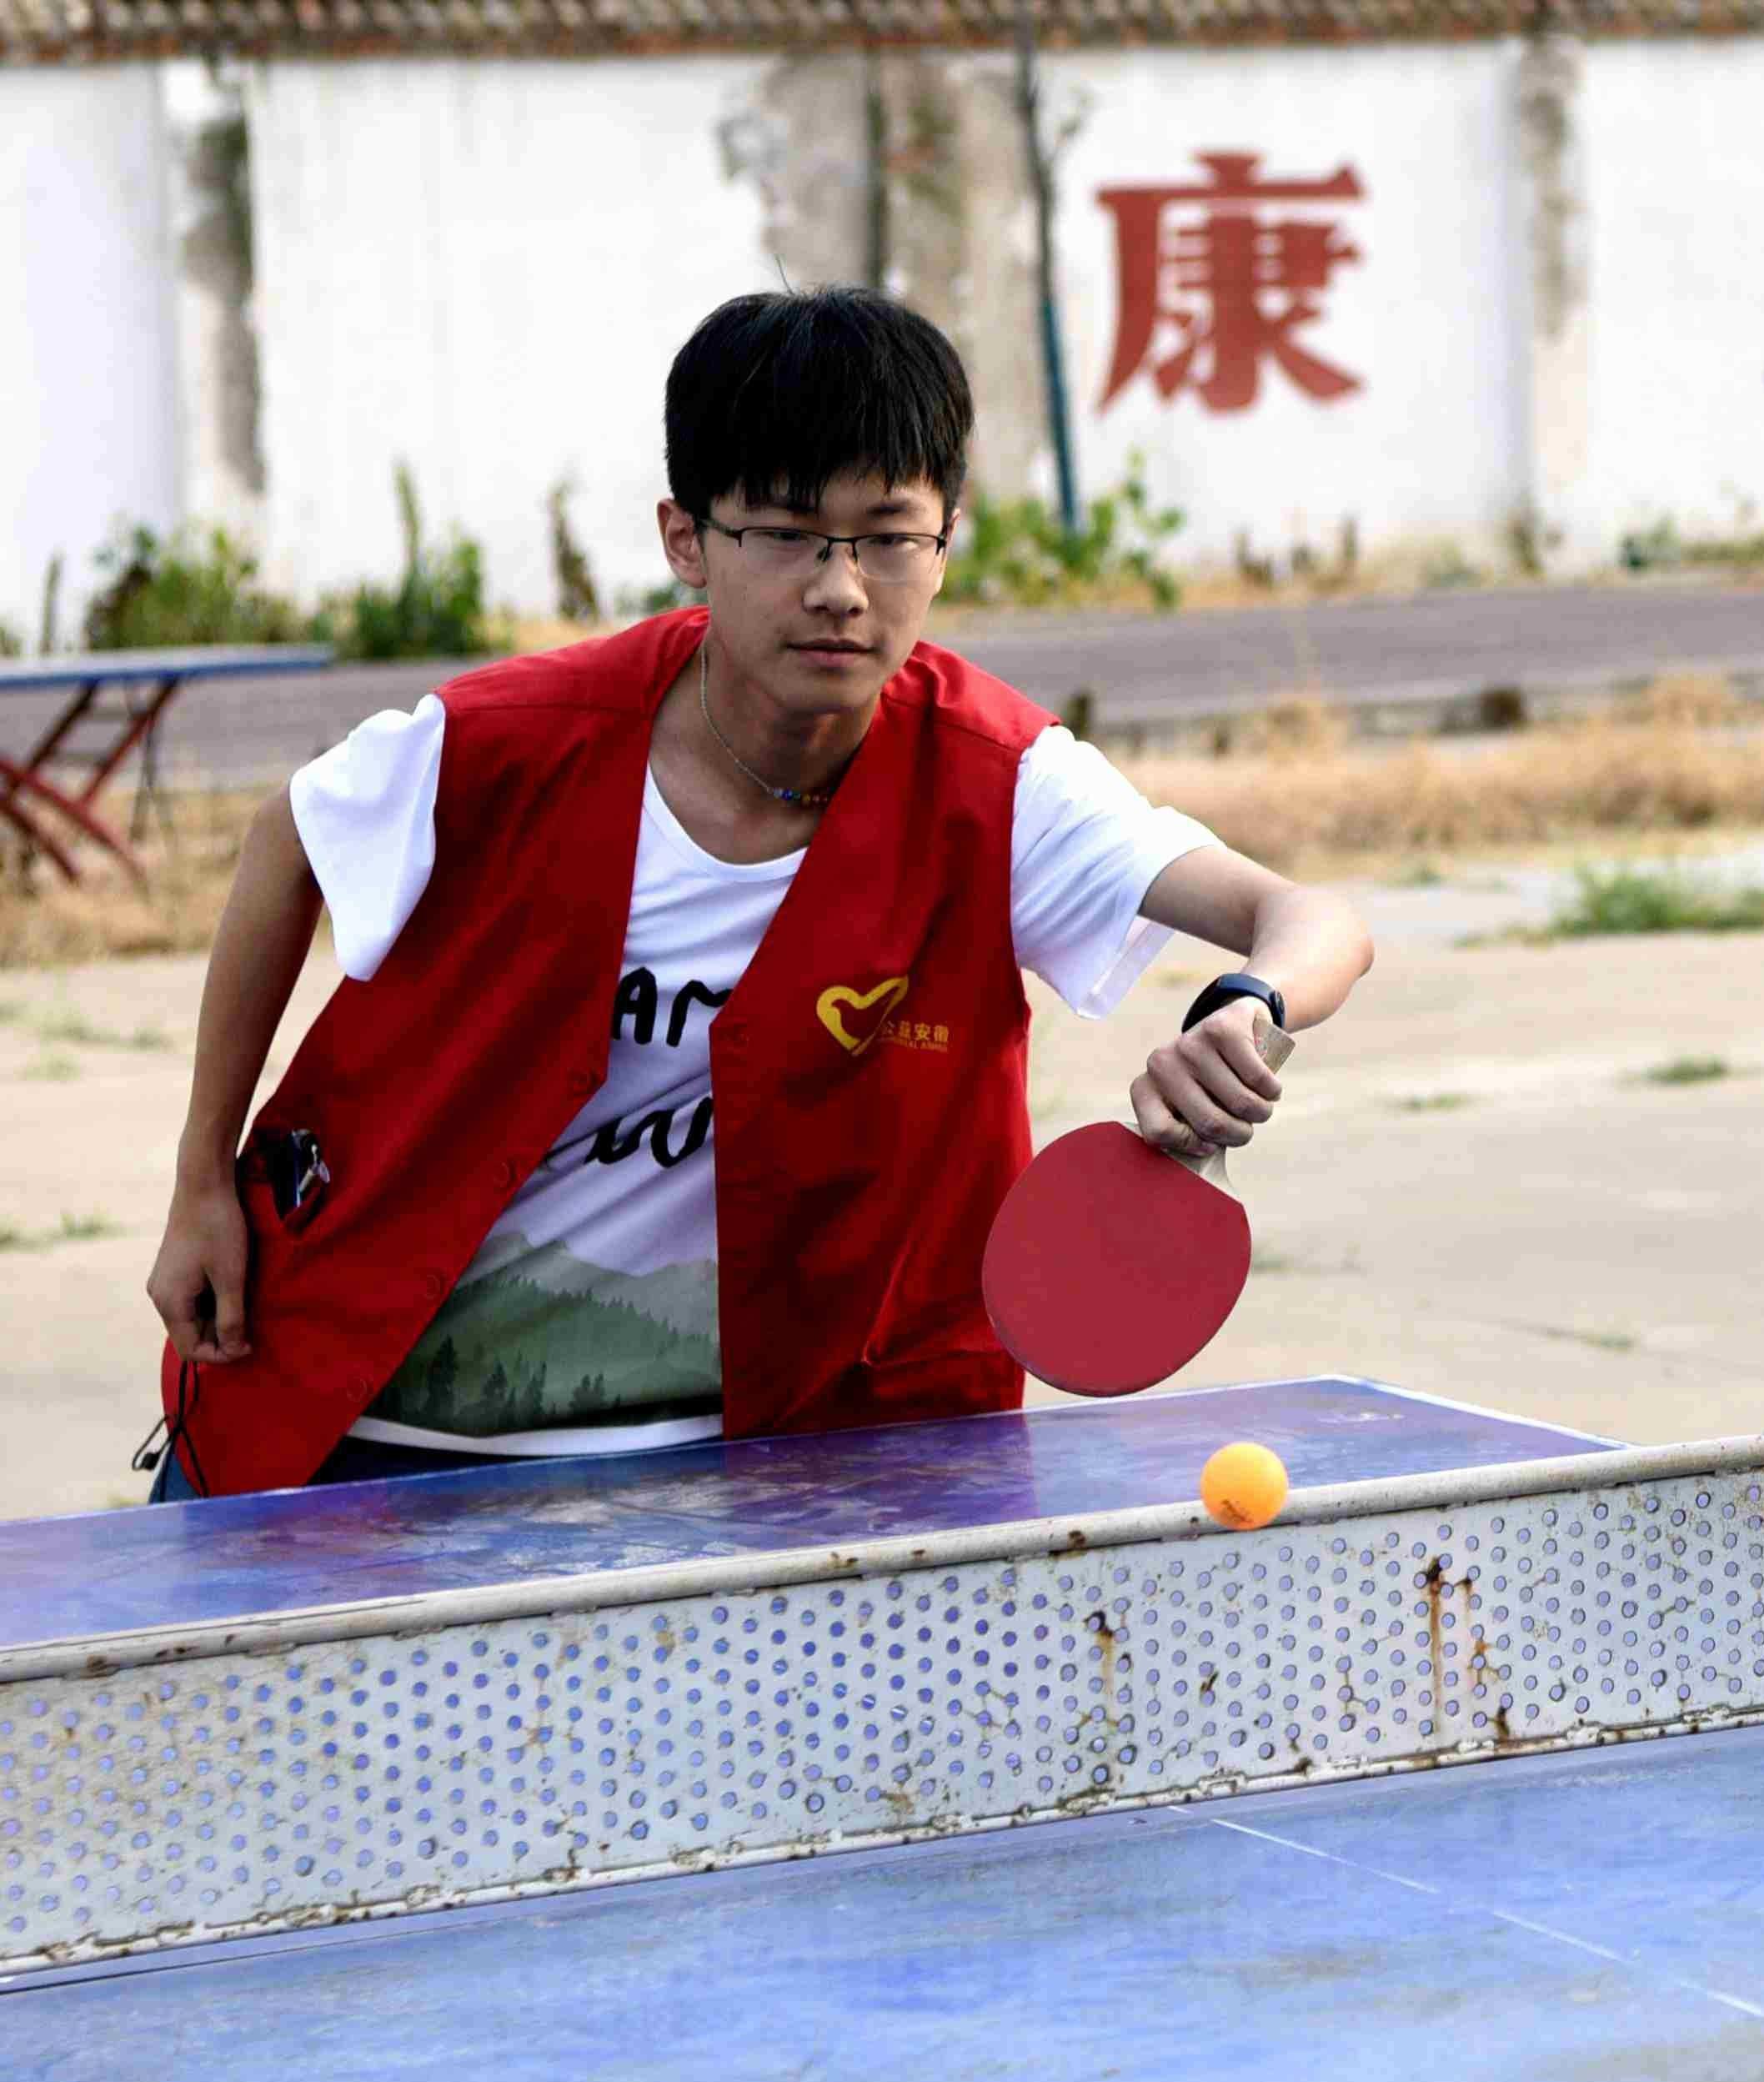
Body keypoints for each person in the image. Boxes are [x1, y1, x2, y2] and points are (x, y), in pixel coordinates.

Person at [141, 287, 1371, 1498]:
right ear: (686, 538)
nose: (841, 587)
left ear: (947, 541)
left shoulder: (1003, 785)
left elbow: (1315, 920)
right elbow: (288, 840)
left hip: (773, 1463)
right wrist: (204, 1179)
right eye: (786, 534)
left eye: (889, 536)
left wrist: (1249, 1005)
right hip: (368, 1424)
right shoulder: (507, 740)